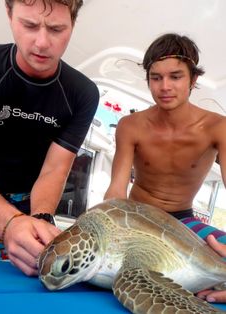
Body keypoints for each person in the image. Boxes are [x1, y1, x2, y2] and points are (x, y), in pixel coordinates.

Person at [104, 32, 226, 301]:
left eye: (175, 76)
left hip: (184, 222)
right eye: (156, 77)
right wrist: (107, 229)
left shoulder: (219, 127)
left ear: (193, 79)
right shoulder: (130, 125)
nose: (165, 86)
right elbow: (116, 191)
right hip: (136, 217)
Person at [0, 0, 99, 276]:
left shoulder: (83, 94)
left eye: (56, 29)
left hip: (27, 201)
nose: (41, 43)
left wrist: (38, 221)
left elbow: (54, 170)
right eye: (29, 25)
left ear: (73, 25)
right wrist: (8, 222)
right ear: (9, 14)